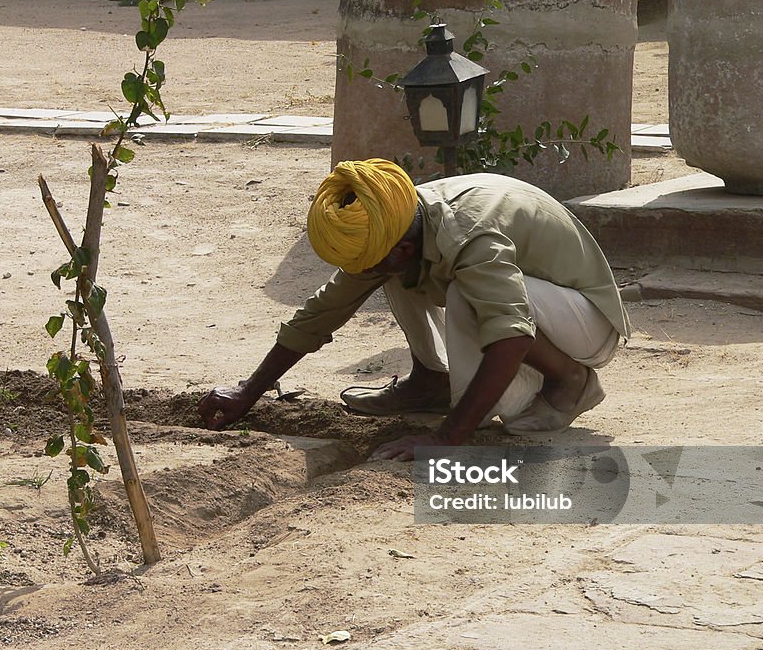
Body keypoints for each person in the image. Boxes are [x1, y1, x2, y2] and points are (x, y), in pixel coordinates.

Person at [199, 158, 630, 461]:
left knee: (466, 293)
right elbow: (324, 310)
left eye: (373, 260)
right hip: (533, 303)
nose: (362, 271)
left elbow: (511, 333)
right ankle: (432, 381)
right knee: (401, 276)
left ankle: (568, 380)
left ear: (400, 247)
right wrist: (248, 391)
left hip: (586, 322)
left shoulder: (467, 236)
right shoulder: (397, 217)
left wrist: (447, 437)